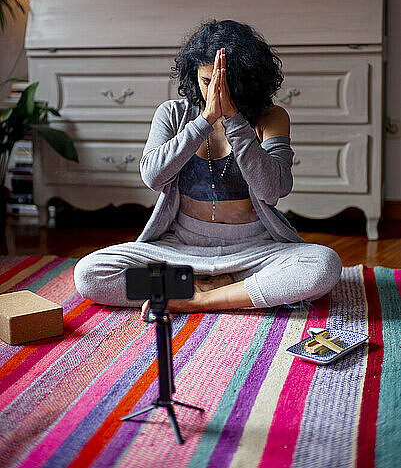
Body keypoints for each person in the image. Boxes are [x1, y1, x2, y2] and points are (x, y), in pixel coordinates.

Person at [73, 19, 342, 320]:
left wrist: (234, 121)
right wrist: (204, 121)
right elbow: (152, 176)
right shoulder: (173, 113)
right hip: (180, 251)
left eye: (225, 84)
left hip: (252, 250)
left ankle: (200, 299)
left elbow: (273, 189)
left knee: (323, 266)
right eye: (206, 82)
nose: (215, 91)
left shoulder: (271, 117)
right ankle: (225, 288)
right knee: (89, 274)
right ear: (194, 76)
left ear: (248, 83)